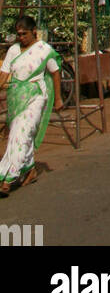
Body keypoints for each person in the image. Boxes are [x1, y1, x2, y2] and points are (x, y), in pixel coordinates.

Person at [0, 15, 62, 195]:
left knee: (21, 134)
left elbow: (55, 73)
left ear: (34, 31)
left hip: (36, 96)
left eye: (24, 33)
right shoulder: (13, 50)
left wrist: (57, 99)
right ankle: (29, 170)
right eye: (18, 34)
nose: (21, 37)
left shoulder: (43, 50)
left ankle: (7, 178)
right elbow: (4, 74)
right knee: (18, 134)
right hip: (16, 98)